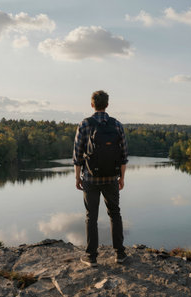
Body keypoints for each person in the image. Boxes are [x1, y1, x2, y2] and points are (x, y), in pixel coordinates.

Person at [73, 90, 128, 267]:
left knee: (91, 217)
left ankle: (92, 258)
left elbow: (77, 155)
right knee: (115, 213)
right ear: (107, 104)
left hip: (90, 178)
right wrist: (122, 178)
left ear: (92, 104)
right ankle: (120, 254)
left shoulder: (85, 124)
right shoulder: (117, 125)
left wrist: (77, 177)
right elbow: (123, 156)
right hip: (112, 177)